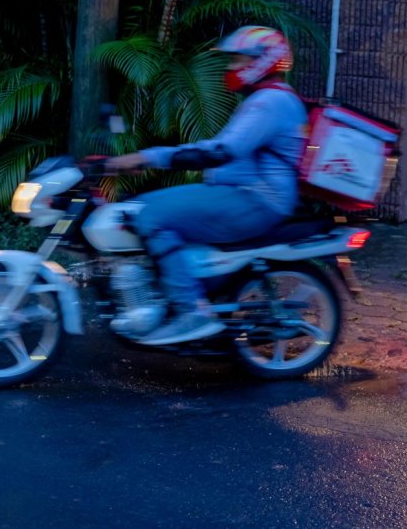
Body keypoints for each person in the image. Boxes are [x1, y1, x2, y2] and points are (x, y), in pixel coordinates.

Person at [105, 26, 308, 345]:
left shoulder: (270, 102)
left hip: (253, 201)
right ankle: (171, 294)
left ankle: (192, 311)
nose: (230, 68)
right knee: (145, 208)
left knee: (149, 212)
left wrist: (147, 158)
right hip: (241, 197)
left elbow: (222, 151)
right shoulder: (267, 100)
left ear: (264, 61)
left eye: (237, 60)